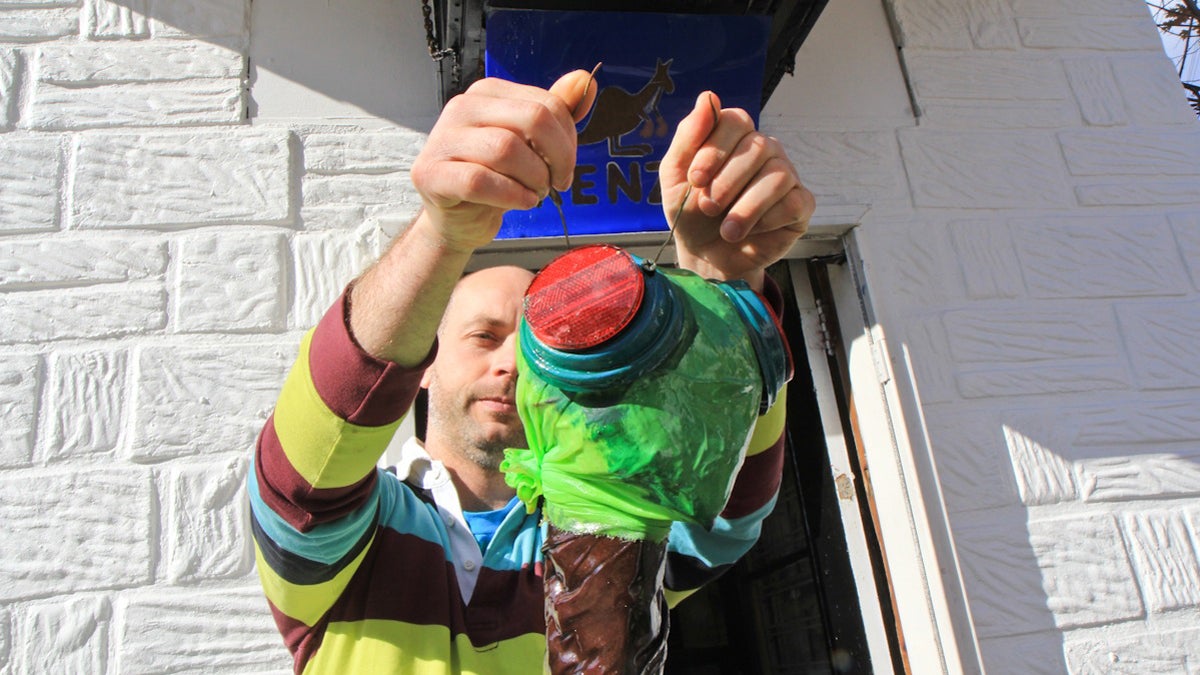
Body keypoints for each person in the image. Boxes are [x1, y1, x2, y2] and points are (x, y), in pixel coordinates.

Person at [248, 70, 815, 674]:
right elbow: (303, 477)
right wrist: (443, 234)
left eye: (537, 349)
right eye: (483, 336)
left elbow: (733, 510)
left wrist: (721, 290)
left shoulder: (608, 515)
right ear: (423, 365)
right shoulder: (355, 533)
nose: (513, 363)